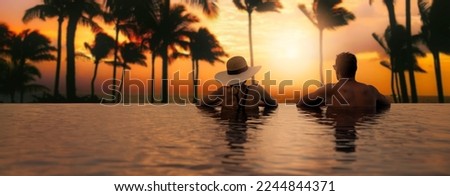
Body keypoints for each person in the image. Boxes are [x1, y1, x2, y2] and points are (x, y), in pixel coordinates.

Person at [297, 52, 390, 112]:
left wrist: (319, 114)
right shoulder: (371, 91)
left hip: (340, 122)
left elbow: (301, 103)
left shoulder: (332, 89)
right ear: (355, 69)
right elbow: (387, 104)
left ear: (337, 70)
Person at [199, 56, 277, 120]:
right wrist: (258, 103)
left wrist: (218, 109)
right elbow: (273, 104)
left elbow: (201, 104)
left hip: (227, 121)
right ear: (246, 76)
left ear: (229, 77)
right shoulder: (257, 90)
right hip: (251, 125)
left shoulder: (223, 91)